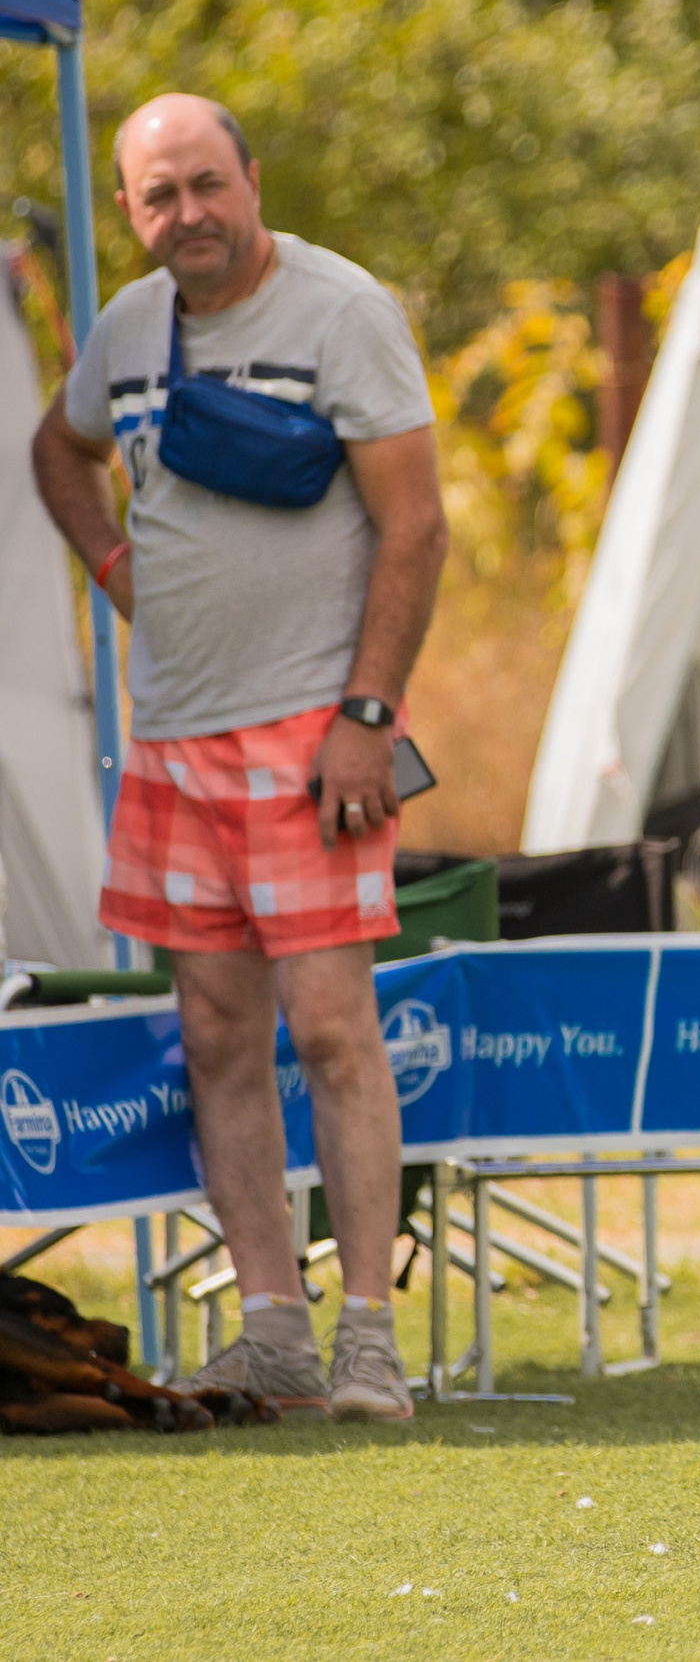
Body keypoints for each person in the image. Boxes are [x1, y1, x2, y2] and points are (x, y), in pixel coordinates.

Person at [31, 95, 447, 1421]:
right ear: (131, 212)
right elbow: (60, 448)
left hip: (312, 737)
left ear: (252, 180)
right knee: (215, 1036)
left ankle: (370, 1341)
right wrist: (113, 567)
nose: (188, 216)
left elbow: (419, 527)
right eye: (160, 198)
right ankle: (273, 1336)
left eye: (207, 185)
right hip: (172, 740)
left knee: (331, 1032)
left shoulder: (341, 312)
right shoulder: (128, 330)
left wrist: (367, 717)